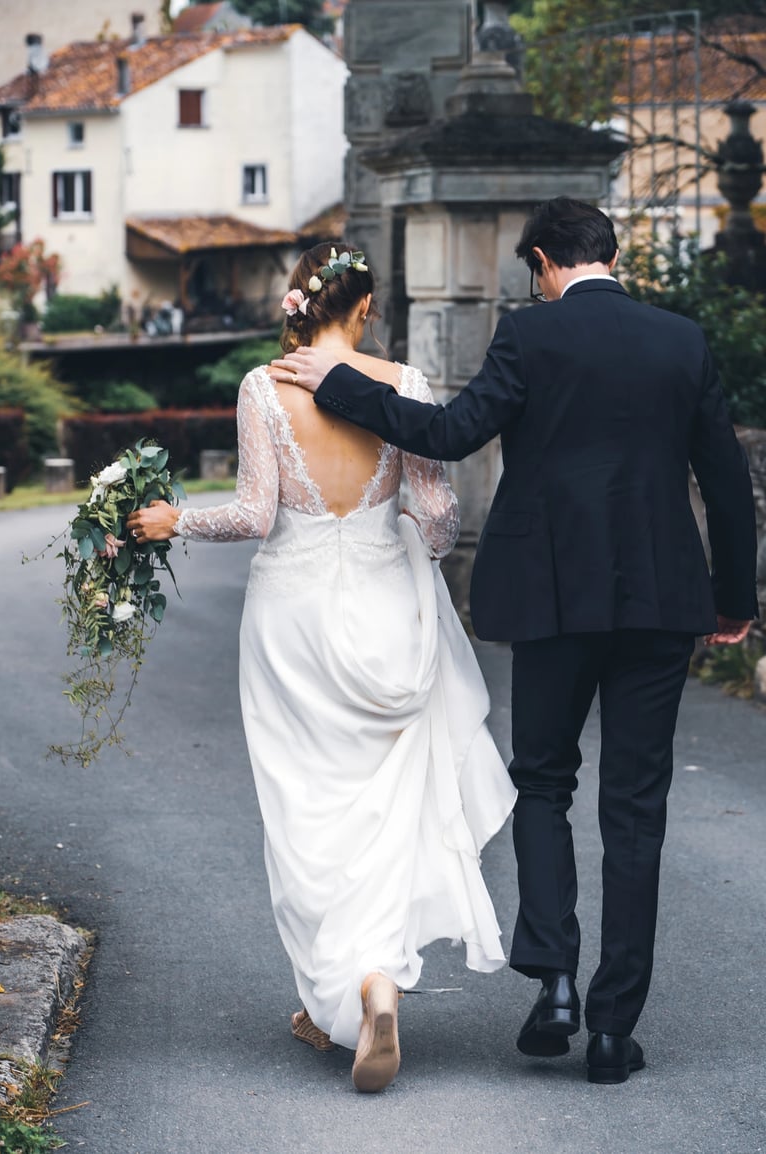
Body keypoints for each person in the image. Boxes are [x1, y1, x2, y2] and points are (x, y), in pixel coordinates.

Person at [270, 198, 759, 1084]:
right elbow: (725, 479)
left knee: (544, 781)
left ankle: (555, 982)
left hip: (553, 598)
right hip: (660, 601)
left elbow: (449, 434)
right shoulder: (680, 341)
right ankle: (612, 1029)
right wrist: (733, 600)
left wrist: (337, 381)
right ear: (610, 255)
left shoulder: (529, 337)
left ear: (541, 262)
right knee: (636, 809)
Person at [127, 242, 517, 1093]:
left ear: (301, 301)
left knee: (306, 811)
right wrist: (407, 536)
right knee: (385, 811)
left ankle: (339, 995)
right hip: (385, 611)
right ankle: (375, 983)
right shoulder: (404, 384)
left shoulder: (264, 386)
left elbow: (256, 514)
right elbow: (439, 517)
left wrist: (173, 520)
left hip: (292, 620)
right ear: (365, 307)